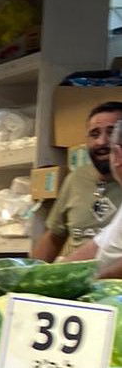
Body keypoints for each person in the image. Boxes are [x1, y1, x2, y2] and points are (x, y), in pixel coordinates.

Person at [34, 101, 122, 261]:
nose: (101, 142)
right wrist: (32, 276)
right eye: (94, 134)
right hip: (80, 278)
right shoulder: (75, 179)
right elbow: (54, 236)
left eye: (111, 132)